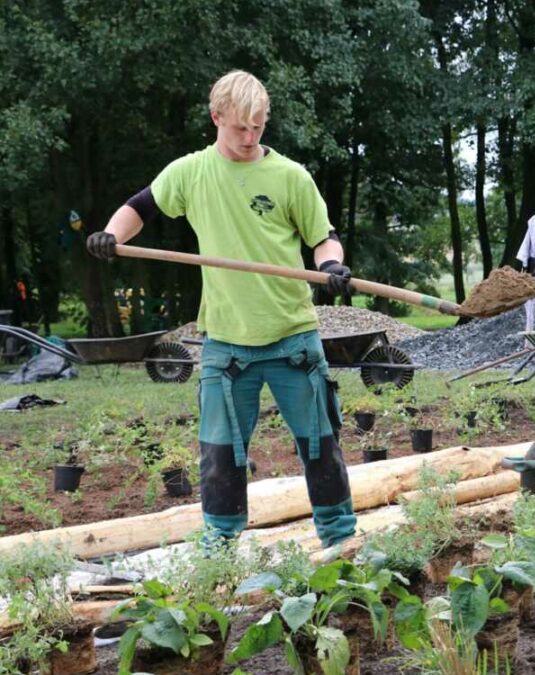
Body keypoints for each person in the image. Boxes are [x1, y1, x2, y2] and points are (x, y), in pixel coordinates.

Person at [87, 70, 357, 552]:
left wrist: (331, 264)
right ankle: (219, 553)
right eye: (239, 128)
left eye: (258, 127)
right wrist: (111, 235)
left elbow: (323, 236)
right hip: (227, 345)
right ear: (217, 118)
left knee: (320, 445)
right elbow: (141, 207)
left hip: (293, 337)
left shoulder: (291, 177)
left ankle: (340, 542)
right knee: (220, 455)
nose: (250, 137)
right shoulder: (191, 172)